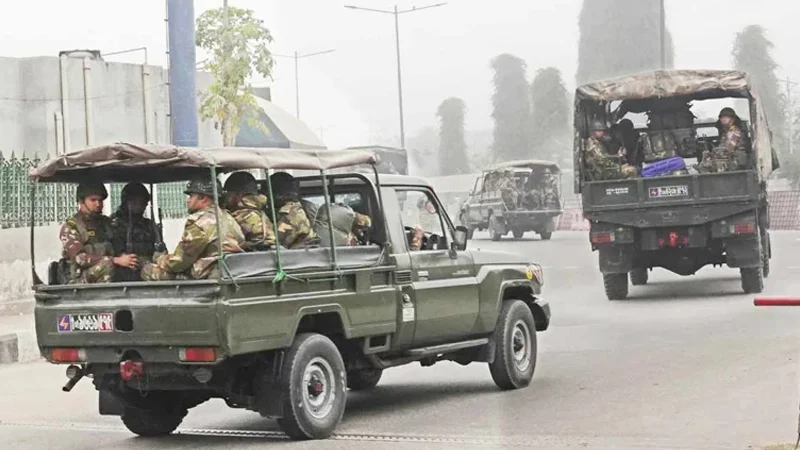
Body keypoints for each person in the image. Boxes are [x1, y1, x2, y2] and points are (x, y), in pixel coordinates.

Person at [140, 176, 244, 281]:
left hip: (206, 277)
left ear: (203, 198)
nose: (188, 200)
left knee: (148, 270)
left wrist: (159, 259)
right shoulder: (228, 217)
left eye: (191, 196)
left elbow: (180, 261)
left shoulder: (201, 222)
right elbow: (241, 241)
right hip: (228, 273)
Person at [59, 183, 138, 284]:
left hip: (107, 271)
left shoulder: (106, 223)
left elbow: (118, 247)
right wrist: (115, 260)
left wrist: (127, 259)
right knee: (107, 264)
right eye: (93, 200)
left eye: (100, 200)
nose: (98, 204)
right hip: (79, 279)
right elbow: (80, 259)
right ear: (82, 201)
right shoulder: (71, 227)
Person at [110, 182, 157, 282]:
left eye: (143, 203)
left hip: (147, 274)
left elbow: (159, 251)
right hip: (120, 277)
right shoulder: (112, 225)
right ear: (126, 202)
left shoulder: (149, 225)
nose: (140, 206)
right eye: (135, 202)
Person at [223, 171, 276, 251]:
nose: (226, 197)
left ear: (238, 194)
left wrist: (240, 248)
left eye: (228, 193)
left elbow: (266, 244)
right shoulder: (259, 211)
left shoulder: (242, 215)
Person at [269, 172, 320, 249]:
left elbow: (277, 241)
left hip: (303, 256)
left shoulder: (290, 213)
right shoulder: (298, 207)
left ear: (276, 194)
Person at [697, 107, 749, 173]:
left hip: (734, 159)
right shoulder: (725, 132)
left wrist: (712, 153)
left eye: (726, 117)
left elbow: (727, 149)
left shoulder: (734, 132)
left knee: (706, 165)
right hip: (728, 158)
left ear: (732, 119)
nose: (723, 119)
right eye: (722, 117)